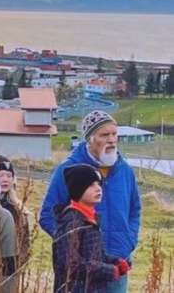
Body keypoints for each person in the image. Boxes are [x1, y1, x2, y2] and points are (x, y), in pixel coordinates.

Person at [39, 110, 141, 293]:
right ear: (90, 138)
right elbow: (47, 214)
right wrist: (70, 244)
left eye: (114, 134)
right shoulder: (68, 170)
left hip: (117, 265)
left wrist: (129, 240)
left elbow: (135, 210)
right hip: (82, 275)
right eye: (104, 134)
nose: (111, 140)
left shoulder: (126, 171)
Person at [53, 164, 130, 293]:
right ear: (78, 189)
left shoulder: (90, 218)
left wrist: (114, 261)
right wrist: (109, 270)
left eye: (98, 184)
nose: (98, 189)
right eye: (91, 185)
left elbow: (93, 256)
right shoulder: (72, 222)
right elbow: (70, 264)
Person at [0, 155, 32, 264]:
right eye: (0, 175)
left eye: (9, 176)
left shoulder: (17, 208)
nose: (5, 179)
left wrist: (20, 261)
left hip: (10, 266)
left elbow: (24, 241)